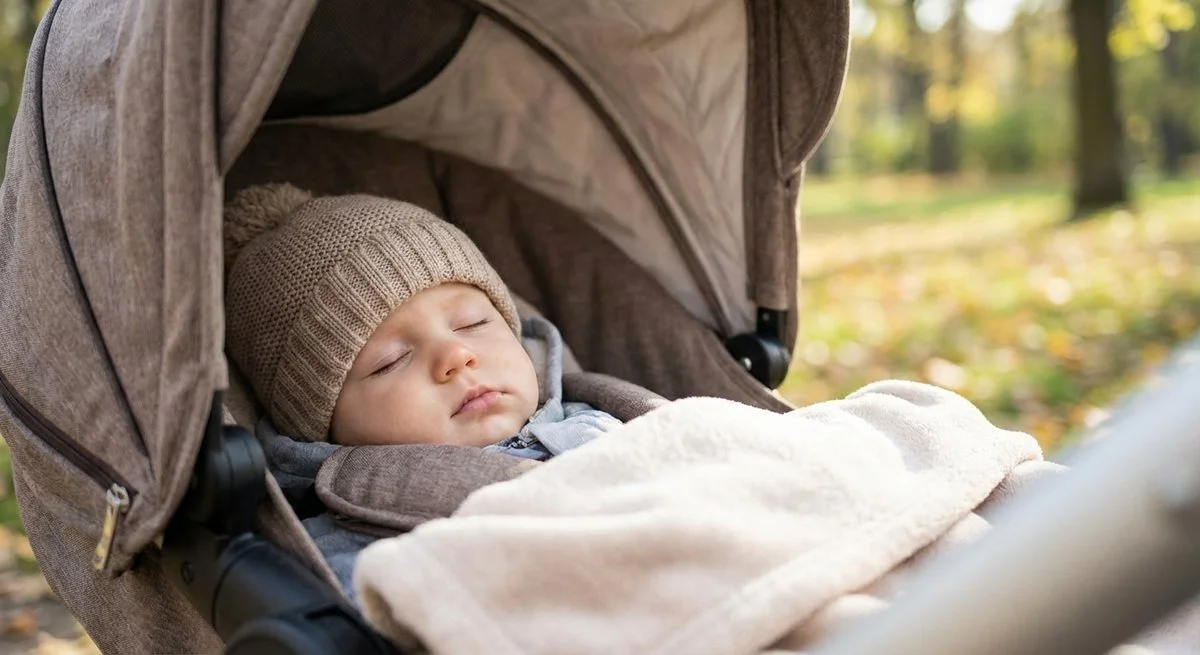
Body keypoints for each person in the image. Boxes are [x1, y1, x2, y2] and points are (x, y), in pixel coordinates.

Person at [223, 183, 621, 461]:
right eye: (390, 361)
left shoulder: (608, 423)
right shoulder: (358, 542)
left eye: (472, 323)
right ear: (325, 429)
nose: (457, 355)